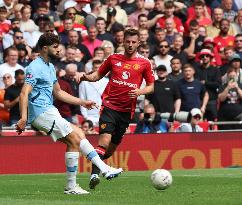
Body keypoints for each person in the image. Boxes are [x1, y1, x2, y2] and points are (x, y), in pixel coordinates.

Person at [15, 33, 123, 195]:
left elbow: (58, 93)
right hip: (41, 112)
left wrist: (82, 102)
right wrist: (23, 118)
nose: (59, 50)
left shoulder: (50, 67)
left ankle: (71, 186)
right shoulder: (34, 67)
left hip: (49, 110)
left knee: (74, 140)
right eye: (55, 47)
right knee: (77, 136)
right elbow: (24, 93)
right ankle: (104, 168)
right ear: (45, 48)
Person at [80, 29, 155, 189]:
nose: (130, 44)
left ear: (138, 43)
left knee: (110, 149)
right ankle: (94, 175)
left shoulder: (145, 63)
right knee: (104, 142)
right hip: (109, 107)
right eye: (128, 41)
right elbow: (97, 75)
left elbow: (151, 87)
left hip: (127, 111)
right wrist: (85, 77)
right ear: (123, 42)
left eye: (133, 42)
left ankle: (96, 164)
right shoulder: (113, 59)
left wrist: (139, 91)